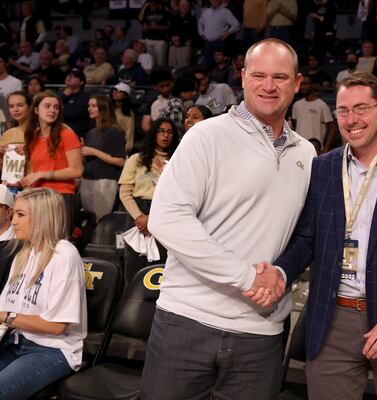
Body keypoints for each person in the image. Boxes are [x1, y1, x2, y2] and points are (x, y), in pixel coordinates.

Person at [246, 72, 377, 399]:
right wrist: (281, 271)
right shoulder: (323, 169)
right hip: (332, 322)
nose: (351, 119)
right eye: (343, 110)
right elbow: (307, 239)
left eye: (361, 108)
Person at [141, 38, 316, 400]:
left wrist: (279, 274)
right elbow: (166, 218)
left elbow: (305, 234)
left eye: (280, 77)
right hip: (187, 320)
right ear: (243, 78)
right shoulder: (206, 136)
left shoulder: (308, 153)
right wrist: (247, 277)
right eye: (259, 75)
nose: (269, 86)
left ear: (297, 83)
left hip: (261, 332)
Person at [0, 187, 86, 399]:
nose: (13, 222)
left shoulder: (64, 254)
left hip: (52, 351)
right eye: (14, 214)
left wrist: (5, 317)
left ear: (42, 217)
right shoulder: (24, 253)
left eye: (20, 215)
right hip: (17, 342)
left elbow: (56, 326)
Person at [118, 118, 178, 283]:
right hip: (138, 213)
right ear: (153, 133)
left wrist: (155, 219)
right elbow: (124, 193)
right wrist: (140, 217)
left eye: (170, 132)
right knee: (134, 264)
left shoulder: (178, 160)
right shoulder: (137, 159)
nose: (165, 135)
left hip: (165, 214)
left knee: (160, 265)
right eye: (161, 131)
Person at [19, 91, 84, 237]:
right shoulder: (32, 135)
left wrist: (42, 174)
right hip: (37, 198)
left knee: (57, 246)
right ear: (36, 110)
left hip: (60, 197)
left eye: (56, 107)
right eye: (47, 106)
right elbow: (33, 169)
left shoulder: (67, 134)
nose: (52, 110)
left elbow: (77, 171)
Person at [80, 95, 126, 222]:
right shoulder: (91, 133)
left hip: (105, 181)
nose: (89, 109)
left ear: (103, 108)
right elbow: (88, 159)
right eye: (89, 106)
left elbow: (120, 161)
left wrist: (94, 152)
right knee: (89, 220)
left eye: (93, 106)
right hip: (87, 179)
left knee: (101, 220)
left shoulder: (114, 132)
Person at [291, 75, 336, 152]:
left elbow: (332, 128)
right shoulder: (296, 105)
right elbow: (295, 125)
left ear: (314, 85)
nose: (302, 87)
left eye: (305, 84)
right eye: (301, 84)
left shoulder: (321, 105)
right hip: (298, 149)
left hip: (316, 149)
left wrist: (326, 148)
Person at [0, 91, 30, 181]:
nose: (15, 110)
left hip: (33, 186)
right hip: (10, 186)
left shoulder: (39, 131)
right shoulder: (7, 134)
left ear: (29, 107)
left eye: (20, 105)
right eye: (11, 106)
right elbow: (4, 168)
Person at [59, 68, 91, 138]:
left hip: (78, 134)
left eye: (74, 76)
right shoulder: (60, 95)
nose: (69, 77)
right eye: (68, 75)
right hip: (59, 133)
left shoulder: (86, 97)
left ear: (81, 82)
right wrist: (63, 96)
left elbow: (75, 113)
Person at [110, 82, 135, 153]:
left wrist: (128, 148)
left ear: (125, 96)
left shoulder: (128, 113)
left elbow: (129, 133)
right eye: (114, 91)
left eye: (119, 92)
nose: (115, 93)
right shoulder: (108, 109)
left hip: (119, 144)